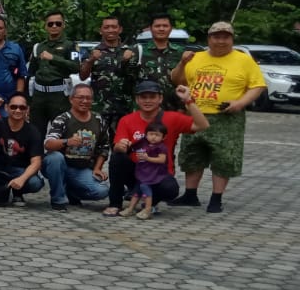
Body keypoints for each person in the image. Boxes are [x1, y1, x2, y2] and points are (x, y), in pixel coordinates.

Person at [171, 21, 267, 213]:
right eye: (216, 37)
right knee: (192, 154)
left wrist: (240, 103)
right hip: (195, 114)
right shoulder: (195, 57)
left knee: (224, 158)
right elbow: (176, 79)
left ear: (232, 39)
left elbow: (257, 86)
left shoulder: (244, 60)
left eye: (225, 37)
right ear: (209, 39)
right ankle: (190, 195)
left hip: (226, 117)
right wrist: (182, 63)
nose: (221, 41)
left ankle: (216, 198)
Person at [101, 81, 209, 218]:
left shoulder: (172, 118)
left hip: (158, 172)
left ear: (160, 98)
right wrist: (121, 146)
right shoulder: (127, 120)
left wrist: (188, 100)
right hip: (136, 171)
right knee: (117, 158)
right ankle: (115, 204)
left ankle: (150, 202)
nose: (147, 101)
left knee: (170, 190)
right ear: (137, 100)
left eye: (152, 97)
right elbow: (117, 145)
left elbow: (202, 125)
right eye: (143, 97)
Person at [40, 83, 110, 212]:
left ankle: (71, 191)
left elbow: (104, 147)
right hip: (60, 165)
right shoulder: (62, 119)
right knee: (55, 158)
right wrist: (67, 141)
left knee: (102, 191)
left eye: (88, 98)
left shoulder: (98, 119)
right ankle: (58, 200)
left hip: (82, 169)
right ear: (71, 99)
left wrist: (97, 168)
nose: (85, 101)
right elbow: (48, 144)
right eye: (80, 97)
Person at [0, 93, 45, 207]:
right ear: (6, 108)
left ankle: (18, 192)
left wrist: (22, 179)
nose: (17, 110)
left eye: (22, 107)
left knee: (35, 183)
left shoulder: (33, 131)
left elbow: (36, 162)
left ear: (27, 109)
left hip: (19, 169)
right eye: (13, 107)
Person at [80, 15, 138, 131]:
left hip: (124, 107)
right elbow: (83, 76)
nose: (110, 30)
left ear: (120, 29)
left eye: (114, 27)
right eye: (106, 27)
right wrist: (91, 60)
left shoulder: (130, 51)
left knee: (122, 140)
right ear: (100, 30)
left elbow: (136, 76)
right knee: (98, 139)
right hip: (100, 107)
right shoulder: (92, 51)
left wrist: (126, 61)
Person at [28, 11, 81, 128]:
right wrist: (28, 100)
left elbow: (76, 67)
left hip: (59, 96)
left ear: (63, 25)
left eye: (58, 23)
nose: (54, 26)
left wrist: (53, 58)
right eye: (50, 24)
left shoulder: (70, 45)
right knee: (36, 132)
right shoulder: (38, 47)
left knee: (61, 131)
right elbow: (31, 73)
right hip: (39, 96)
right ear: (45, 26)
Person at [135, 13, 186, 112]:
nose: (161, 29)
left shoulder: (181, 52)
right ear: (150, 28)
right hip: (146, 108)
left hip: (175, 108)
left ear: (171, 28)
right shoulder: (139, 51)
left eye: (165, 26)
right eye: (157, 26)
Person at [120, 122, 169, 220]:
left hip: (152, 174)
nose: (153, 137)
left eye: (157, 135)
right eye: (151, 134)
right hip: (142, 172)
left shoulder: (161, 147)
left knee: (146, 190)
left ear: (163, 137)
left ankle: (147, 209)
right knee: (136, 191)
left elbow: (162, 160)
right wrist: (128, 143)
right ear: (146, 135)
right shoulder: (143, 143)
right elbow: (133, 146)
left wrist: (147, 158)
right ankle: (130, 208)